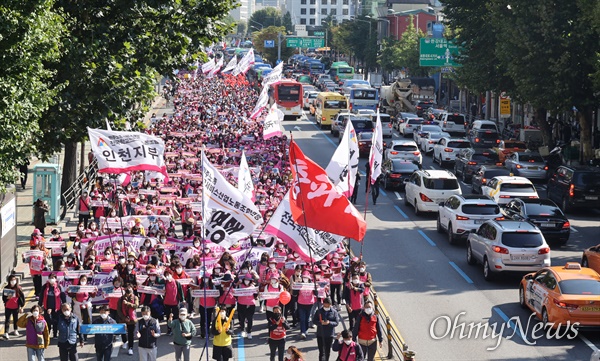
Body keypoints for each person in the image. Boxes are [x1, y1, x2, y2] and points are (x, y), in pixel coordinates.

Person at [39, 273, 66, 338]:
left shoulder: (59, 286)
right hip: (47, 307)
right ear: (48, 279)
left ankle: (55, 334)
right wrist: (39, 305)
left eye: (53, 278)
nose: (52, 279)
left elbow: (63, 296)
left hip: (57, 308)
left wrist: (64, 304)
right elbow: (41, 296)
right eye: (50, 278)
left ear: (55, 279)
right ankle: (47, 333)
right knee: (48, 321)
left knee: (56, 321)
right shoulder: (45, 286)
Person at [117, 285, 139, 355]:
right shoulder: (121, 299)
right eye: (127, 292)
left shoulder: (135, 297)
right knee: (123, 332)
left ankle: (130, 348)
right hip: (123, 319)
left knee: (130, 334)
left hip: (132, 319)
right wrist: (124, 318)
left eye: (130, 292)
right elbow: (119, 310)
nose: (129, 294)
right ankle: (124, 341)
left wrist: (128, 303)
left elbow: (136, 306)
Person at [3, 274, 25, 339]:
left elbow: (22, 298)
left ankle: (15, 330)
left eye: (14, 280)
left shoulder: (18, 288)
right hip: (8, 306)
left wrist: (21, 307)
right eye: (12, 280)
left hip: (16, 307)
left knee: (16, 319)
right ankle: (6, 332)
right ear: (9, 281)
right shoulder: (6, 288)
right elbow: (3, 299)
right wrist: (7, 298)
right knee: (7, 320)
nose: (13, 281)